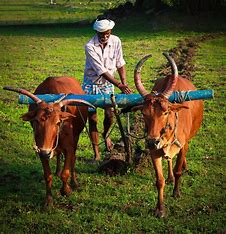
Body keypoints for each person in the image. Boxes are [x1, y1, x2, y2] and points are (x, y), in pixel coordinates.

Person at [82, 16, 132, 160]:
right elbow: (101, 70)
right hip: (91, 84)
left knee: (110, 114)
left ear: (111, 31)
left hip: (108, 85)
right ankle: (96, 153)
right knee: (92, 118)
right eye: (101, 34)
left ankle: (106, 134)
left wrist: (124, 83)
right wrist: (120, 85)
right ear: (96, 32)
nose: (105, 36)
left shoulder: (116, 41)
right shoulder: (90, 46)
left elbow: (120, 63)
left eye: (107, 33)